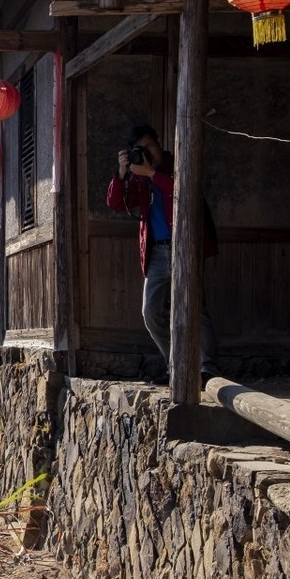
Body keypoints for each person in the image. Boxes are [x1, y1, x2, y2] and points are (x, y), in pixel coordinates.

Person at [106, 123, 219, 386]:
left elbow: (184, 192)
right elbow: (116, 203)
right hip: (156, 250)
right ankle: (176, 366)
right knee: (150, 311)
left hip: (185, 247)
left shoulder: (177, 163)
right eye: (139, 150)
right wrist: (122, 173)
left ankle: (207, 368)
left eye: (148, 147)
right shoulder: (138, 176)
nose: (146, 153)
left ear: (159, 142)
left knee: (196, 310)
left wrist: (151, 173)